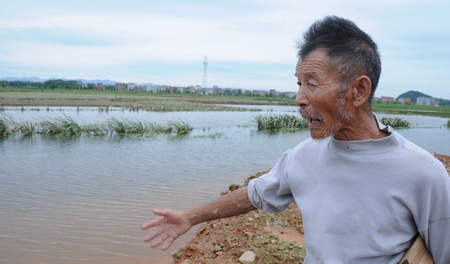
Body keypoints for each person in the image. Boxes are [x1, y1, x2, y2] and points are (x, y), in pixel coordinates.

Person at [141, 16, 450, 263]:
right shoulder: (303, 156)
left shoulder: (422, 173)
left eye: (312, 84)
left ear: (358, 91)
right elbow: (254, 194)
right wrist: (189, 217)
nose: (299, 99)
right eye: (299, 83)